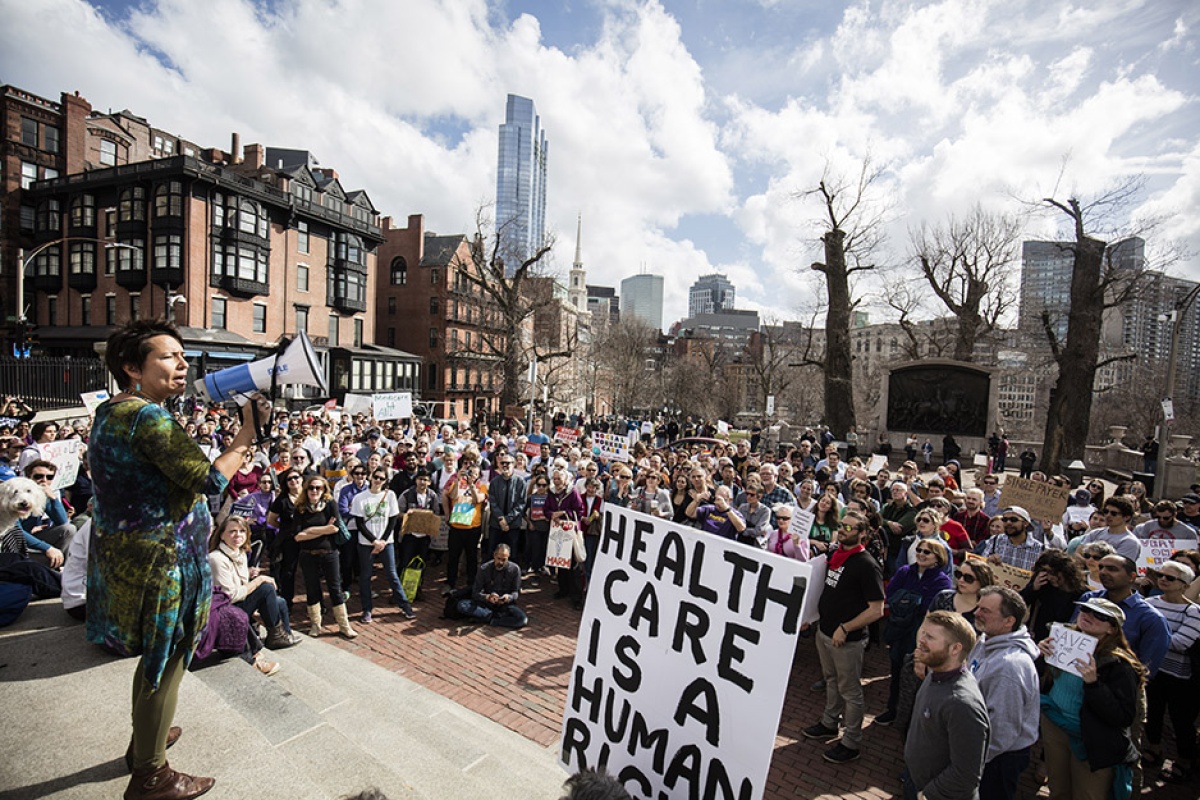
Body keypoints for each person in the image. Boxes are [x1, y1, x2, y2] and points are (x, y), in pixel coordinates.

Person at [86, 319, 270, 799]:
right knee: (165, 661)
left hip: (137, 557)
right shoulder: (149, 418)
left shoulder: (113, 411)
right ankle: (151, 773)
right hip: (164, 563)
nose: (182, 363)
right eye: (168, 356)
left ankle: (146, 738)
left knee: (157, 657)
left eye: (182, 355)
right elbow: (209, 480)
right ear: (132, 368)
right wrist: (246, 434)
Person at [1037, 598, 1142, 800]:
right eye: (1085, 609)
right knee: (1058, 788)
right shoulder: (1062, 640)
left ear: (1112, 629)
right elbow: (1047, 680)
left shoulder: (1119, 664)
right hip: (1055, 725)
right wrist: (1041, 655)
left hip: (1091, 738)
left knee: (1088, 794)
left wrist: (1094, 684)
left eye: (1099, 616)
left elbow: (1123, 716)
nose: (1088, 616)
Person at [803, 509, 885, 764]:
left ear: (863, 534)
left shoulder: (866, 565)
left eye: (850, 528)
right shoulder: (835, 556)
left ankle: (850, 742)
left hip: (846, 640)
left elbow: (876, 609)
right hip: (824, 631)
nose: (844, 530)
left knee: (850, 691)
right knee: (830, 680)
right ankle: (829, 723)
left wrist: (846, 628)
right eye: (842, 526)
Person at [903, 611, 990, 800]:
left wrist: (927, 794)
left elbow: (966, 774)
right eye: (924, 634)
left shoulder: (962, 704)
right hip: (916, 781)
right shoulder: (935, 672)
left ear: (955, 649)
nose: (922, 641)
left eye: (931, 637)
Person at [968, 587, 1040, 800]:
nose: (976, 613)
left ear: (1009, 621)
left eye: (986, 611)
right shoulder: (985, 640)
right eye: (978, 607)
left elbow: (1001, 732)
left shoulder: (1009, 668)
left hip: (996, 760)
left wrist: (970, 761)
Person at [878, 539, 952, 727]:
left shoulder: (942, 581)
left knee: (916, 677)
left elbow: (930, 608)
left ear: (938, 558)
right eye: (919, 550)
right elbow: (892, 593)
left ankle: (913, 718)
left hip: (921, 634)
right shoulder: (905, 571)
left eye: (927, 552)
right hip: (898, 629)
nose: (921, 554)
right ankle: (892, 709)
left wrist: (907, 599)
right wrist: (911, 601)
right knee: (896, 671)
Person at [1142, 559, 1200, 782]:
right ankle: (1154, 748)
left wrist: (1150, 636)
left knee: (1181, 720)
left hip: (1179, 676)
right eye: (1161, 575)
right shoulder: (1149, 602)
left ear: (1185, 585)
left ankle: (1185, 759)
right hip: (1153, 672)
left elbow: (1181, 643)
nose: (1163, 580)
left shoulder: (1194, 612)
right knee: (1153, 713)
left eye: (1170, 578)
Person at [207, 516, 300, 651]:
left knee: (280, 602)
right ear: (221, 535)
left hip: (240, 600)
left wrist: (249, 574)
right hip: (225, 609)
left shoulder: (240, 553)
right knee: (266, 588)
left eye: (242, 531)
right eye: (232, 531)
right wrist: (258, 581)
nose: (238, 535)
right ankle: (277, 636)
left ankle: (284, 635)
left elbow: (242, 583)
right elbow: (230, 595)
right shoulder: (216, 558)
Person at [1077, 554, 1171, 678]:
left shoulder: (1151, 618)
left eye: (1112, 569)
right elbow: (1074, 632)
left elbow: (1146, 669)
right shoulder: (1088, 599)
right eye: (1101, 567)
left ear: (1132, 577)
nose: (1103, 572)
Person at [294, 475, 357, 639]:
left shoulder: (330, 504)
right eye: (311, 488)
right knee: (312, 588)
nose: (314, 491)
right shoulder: (300, 508)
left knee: (335, 589)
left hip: (329, 553)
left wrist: (310, 531)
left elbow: (335, 529)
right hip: (308, 555)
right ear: (306, 489)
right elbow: (297, 536)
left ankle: (344, 625)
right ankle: (316, 625)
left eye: (318, 488)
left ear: (324, 490)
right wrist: (324, 528)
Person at [350, 468, 416, 623]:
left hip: (387, 542)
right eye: (376, 477)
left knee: (392, 574)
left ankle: (404, 604)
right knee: (365, 576)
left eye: (381, 478)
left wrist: (383, 541)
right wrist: (374, 541)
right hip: (366, 543)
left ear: (385, 480)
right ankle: (367, 609)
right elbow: (359, 523)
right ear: (370, 477)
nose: (378, 480)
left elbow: (392, 520)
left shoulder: (390, 495)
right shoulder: (360, 498)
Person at [1020, 549, 1088, 642]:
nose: (1050, 577)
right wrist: (1033, 588)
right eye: (1046, 572)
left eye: (1053, 573)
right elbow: (1020, 605)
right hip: (1038, 638)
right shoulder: (1043, 585)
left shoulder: (1082, 594)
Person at [441, 460, 487, 595]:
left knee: (471, 557)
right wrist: (459, 479)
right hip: (456, 526)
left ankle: (472, 584)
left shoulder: (482, 486)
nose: (471, 476)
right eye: (470, 473)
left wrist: (471, 485)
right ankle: (450, 583)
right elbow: (452, 496)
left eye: (474, 474)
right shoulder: (457, 483)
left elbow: (477, 499)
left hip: (473, 527)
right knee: (453, 557)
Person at [455, 543, 527, 628]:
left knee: (522, 619)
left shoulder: (515, 569)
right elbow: (475, 593)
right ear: (494, 555)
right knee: (462, 605)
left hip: (505, 605)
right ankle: (494, 617)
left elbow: (516, 592)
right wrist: (488, 597)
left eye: (504, 560)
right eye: (498, 559)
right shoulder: (484, 569)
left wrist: (508, 597)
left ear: (508, 557)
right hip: (487, 604)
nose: (500, 562)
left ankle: (491, 619)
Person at [396, 468, 441, 600]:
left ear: (429, 482)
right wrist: (407, 515)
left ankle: (417, 589)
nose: (423, 482)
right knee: (404, 562)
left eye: (426, 480)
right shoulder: (407, 494)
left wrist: (428, 517)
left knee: (421, 564)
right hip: (409, 535)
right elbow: (397, 513)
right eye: (420, 479)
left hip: (424, 536)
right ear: (416, 480)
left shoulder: (432, 496)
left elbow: (436, 513)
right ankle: (398, 591)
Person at [1073, 496, 1143, 560]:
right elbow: (1077, 554)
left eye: (1113, 513)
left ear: (1126, 517)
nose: (1108, 515)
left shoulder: (1130, 542)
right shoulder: (1095, 533)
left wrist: (1089, 562)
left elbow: (1117, 566)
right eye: (1106, 512)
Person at [930, 559, 995, 626]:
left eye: (968, 578)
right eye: (959, 575)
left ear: (982, 581)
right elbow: (925, 624)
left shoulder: (985, 611)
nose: (961, 580)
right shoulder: (942, 597)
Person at [978, 507, 1044, 571]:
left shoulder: (1039, 548)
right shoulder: (995, 540)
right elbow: (981, 566)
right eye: (1005, 519)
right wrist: (988, 561)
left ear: (1025, 523)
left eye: (1013, 519)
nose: (1008, 523)